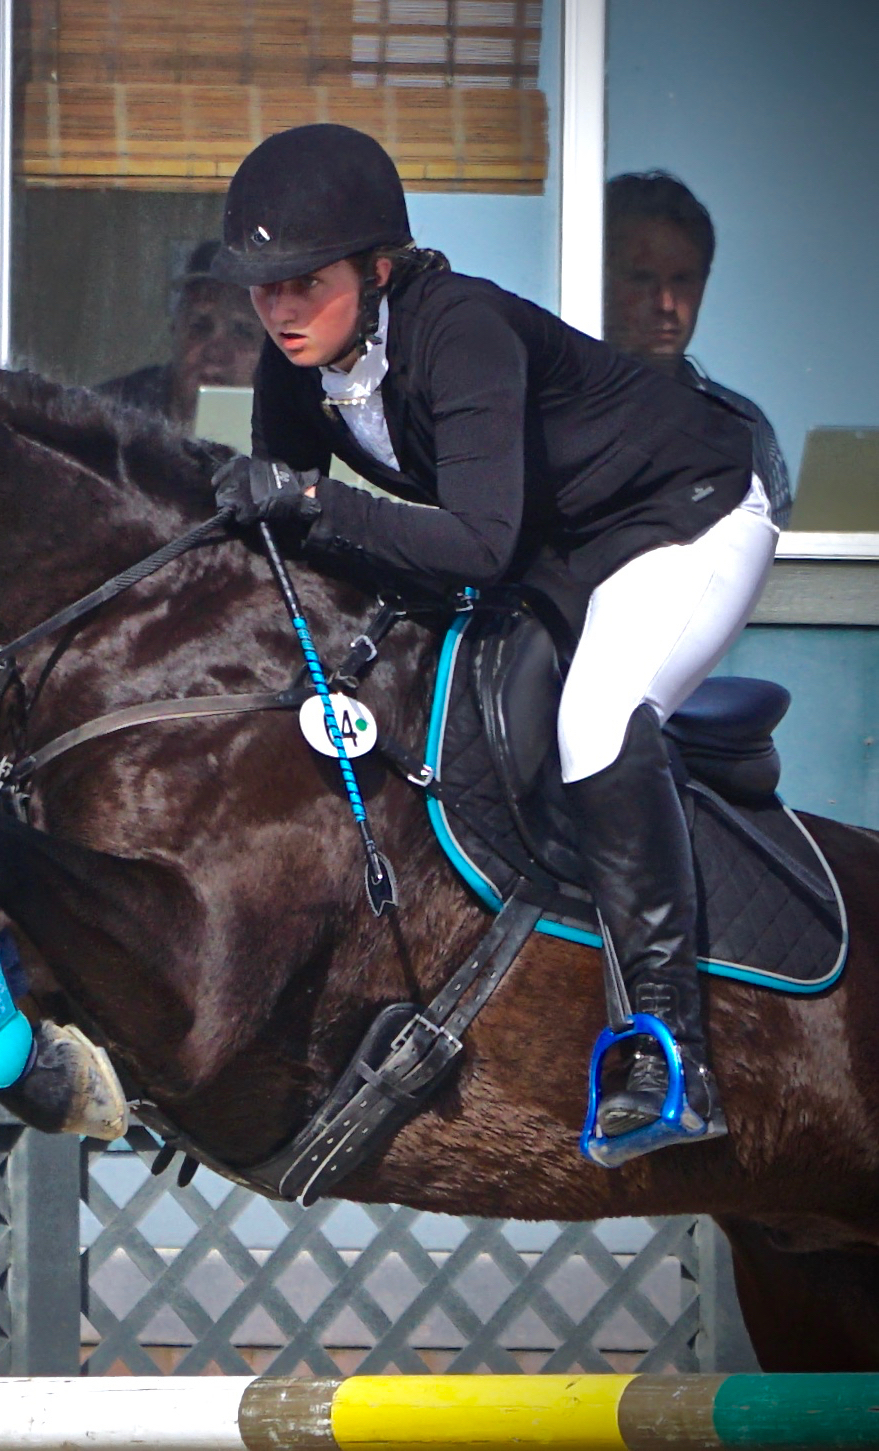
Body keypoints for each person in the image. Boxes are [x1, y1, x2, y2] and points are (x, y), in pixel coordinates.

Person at [209, 124, 779, 1159]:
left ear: (378, 270)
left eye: (305, 282)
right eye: (263, 285)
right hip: (560, 543)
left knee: (596, 713)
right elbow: (303, 554)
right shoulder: (293, 366)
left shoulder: (460, 328)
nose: (280, 309)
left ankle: (668, 1050)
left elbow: (469, 541)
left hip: (692, 509)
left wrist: (303, 498)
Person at [606, 171, 793, 524]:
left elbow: (781, 553)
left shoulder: (741, 425)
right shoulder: (558, 409)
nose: (665, 303)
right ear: (600, 279)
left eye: (682, 280)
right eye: (642, 278)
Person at [99, 241, 267, 426]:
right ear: (175, 330)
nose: (216, 353)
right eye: (200, 327)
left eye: (243, 332)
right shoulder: (108, 415)